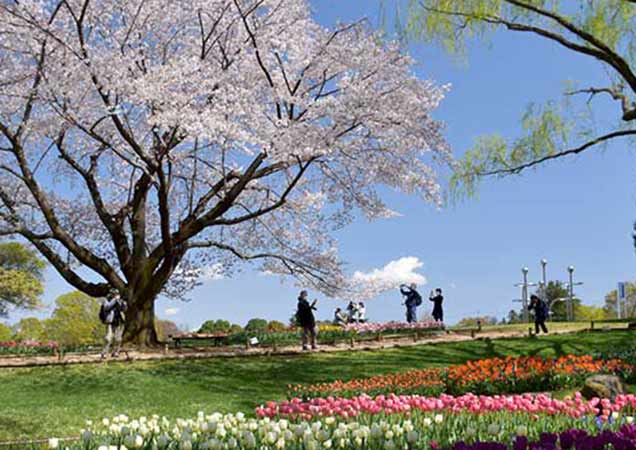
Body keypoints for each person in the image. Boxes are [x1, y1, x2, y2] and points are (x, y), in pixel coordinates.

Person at [99, 290, 127, 358]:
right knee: (108, 338)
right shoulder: (106, 300)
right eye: (114, 294)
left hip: (119, 322)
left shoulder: (119, 301)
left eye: (117, 294)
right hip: (110, 322)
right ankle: (104, 352)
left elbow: (124, 309)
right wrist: (115, 300)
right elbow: (107, 307)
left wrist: (123, 303)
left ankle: (116, 352)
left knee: (118, 339)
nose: (116, 295)